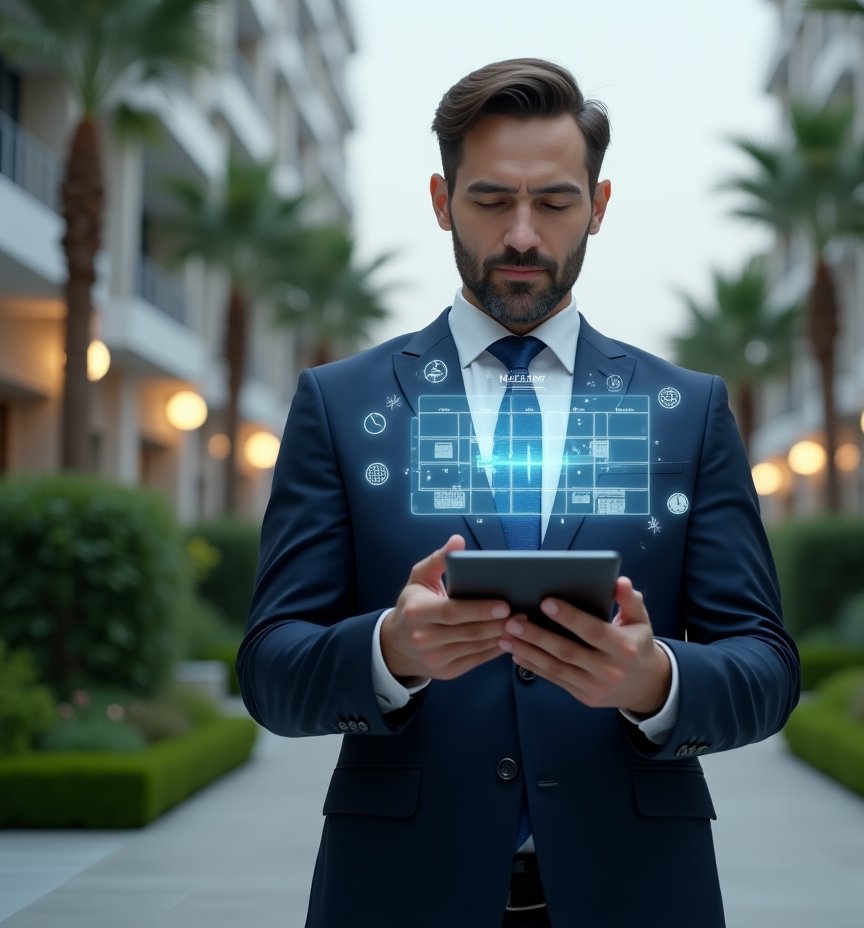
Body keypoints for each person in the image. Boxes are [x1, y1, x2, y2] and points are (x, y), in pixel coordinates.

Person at [237, 58, 800, 928]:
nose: (525, 236)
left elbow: (766, 667)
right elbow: (272, 671)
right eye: (493, 201)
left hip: (640, 894)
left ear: (600, 207)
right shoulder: (342, 406)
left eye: (556, 202)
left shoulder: (687, 411)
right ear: (441, 199)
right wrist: (391, 652)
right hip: (395, 895)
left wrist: (656, 680)